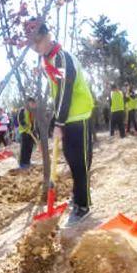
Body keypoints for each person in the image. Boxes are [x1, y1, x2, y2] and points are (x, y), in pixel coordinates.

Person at [24, 17, 94, 227]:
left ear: (48, 35)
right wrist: (59, 119)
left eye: (39, 41)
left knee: (80, 162)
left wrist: (59, 123)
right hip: (68, 116)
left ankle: (83, 206)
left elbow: (65, 91)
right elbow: (57, 94)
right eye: (32, 44)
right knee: (72, 160)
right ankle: (78, 196)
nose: (36, 47)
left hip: (79, 115)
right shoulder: (48, 60)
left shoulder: (62, 58)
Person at [17, 98, 37, 169]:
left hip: (30, 132)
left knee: (30, 147)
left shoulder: (32, 112)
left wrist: (33, 130)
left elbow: (32, 122)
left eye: (34, 104)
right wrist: (26, 127)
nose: (34, 105)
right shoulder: (22, 110)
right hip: (24, 132)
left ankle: (28, 161)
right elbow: (20, 120)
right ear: (28, 103)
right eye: (32, 104)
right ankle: (22, 163)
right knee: (24, 148)